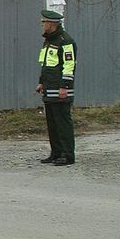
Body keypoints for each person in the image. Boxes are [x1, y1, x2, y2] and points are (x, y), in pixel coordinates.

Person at [37, 9, 77, 166]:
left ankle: (68, 155)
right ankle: (56, 153)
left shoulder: (65, 41)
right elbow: (46, 65)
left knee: (63, 124)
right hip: (49, 88)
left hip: (61, 90)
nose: (42, 25)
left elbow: (69, 65)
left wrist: (64, 87)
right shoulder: (48, 41)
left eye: (44, 22)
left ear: (52, 24)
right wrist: (41, 82)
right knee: (52, 124)